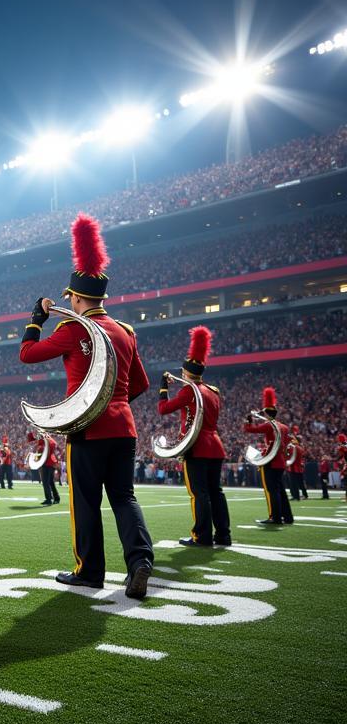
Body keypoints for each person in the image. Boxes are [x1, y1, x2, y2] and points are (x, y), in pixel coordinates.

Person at [19, 214, 154, 599]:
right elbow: (140, 384)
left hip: (87, 429)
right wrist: (114, 406)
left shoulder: (73, 328)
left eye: (71, 299)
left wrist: (36, 318)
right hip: (123, 427)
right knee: (124, 497)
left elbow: (27, 354)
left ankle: (90, 571)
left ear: (77, 298)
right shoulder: (125, 332)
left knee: (86, 502)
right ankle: (140, 560)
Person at [158, 326, 231, 547]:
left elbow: (163, 409)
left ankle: (202, 536)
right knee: (216, 492)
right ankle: (223, 535)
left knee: (199, 493)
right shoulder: (213, 391)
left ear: (185, 373)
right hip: (215, 445)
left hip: (197, 446)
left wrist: (163, 389)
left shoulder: (189, 390)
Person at [243, 388, 293, 526]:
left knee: (272, 491)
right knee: (280, 490)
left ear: (266, 413)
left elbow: (249, 430)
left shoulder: (269, 425)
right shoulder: (284, 426)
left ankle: (275, 517)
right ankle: (288, 517)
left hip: (271, 461)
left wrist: (248, 420)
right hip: (281, 462)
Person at [29, 431, 61, 504]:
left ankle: (49, 499)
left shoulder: (42, 446)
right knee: (51, 482)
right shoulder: (51, 441)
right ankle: (56, 498)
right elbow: (55, 444)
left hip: (46, 464)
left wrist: (34, 457)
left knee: (45, 482)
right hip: (52, 462)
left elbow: (38, 457)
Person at [286, 426, 307, 501]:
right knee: (300, 483)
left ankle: (296, 496)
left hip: (293, 467)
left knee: (293, 483)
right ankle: (303, 495)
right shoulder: (300, 447)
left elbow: (289, 456)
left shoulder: (294, 448)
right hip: (298, 467)